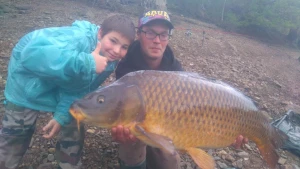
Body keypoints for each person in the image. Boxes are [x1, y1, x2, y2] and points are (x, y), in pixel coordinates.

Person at [111, 10, 248, 169]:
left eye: (163, 35)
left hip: (165, 124)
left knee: (170, 159)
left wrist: (228, 132)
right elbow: (119, 105)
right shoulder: (125, 63)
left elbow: (191, 111)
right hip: (139, 118)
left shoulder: (176, 69)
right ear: (139, 34)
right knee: (131, 137)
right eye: (150, 33)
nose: (157, 40)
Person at [0, 14, 136, 169]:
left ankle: (69, 164)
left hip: (61, 81)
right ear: (100, 33)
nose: (117, 50)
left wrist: (61, 115)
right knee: (16, 135)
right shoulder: (78, 37)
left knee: (75, 117)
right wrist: (87, 62)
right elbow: (30, 55)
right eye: (113, 41)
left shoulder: (109, 60)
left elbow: (80, 87)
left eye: (124, 47)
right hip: (26, 84)